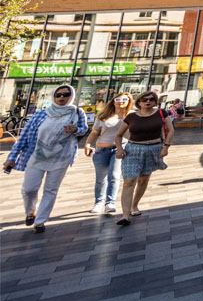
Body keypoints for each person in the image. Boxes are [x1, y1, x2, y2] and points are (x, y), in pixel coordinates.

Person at [3, 83, 88, 233]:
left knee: (51, 190)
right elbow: (23, 137)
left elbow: (83, 129)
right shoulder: (41, 114)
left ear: (72, 96)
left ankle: (40, 221)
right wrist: (12, 157)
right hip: (36, 156)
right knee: (29, 189)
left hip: (62, 157)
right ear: (53, 96)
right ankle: (31, 211)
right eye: (58, 94)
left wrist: (76, 129)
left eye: (65, 94)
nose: (61, 97)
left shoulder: (76, 112)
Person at [113, 91, 174, 225]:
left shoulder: (161, 113)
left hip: (153, 148)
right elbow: (118, 135)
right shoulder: (132, 117)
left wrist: (166, 147)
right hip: (133, 149)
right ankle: (125, 215)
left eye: (151, 99)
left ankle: (134, 205)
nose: (148, 102)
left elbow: (170, 130)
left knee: (143, 179)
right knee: (129, 181)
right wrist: (119, 149)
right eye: (145, 99)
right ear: (139, 102)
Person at [84, 92, 131, 214]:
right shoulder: (104, 115)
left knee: (114, 177)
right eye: (118, 99)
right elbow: (94, 132)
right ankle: (98, 202)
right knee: (101, 178)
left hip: (119, 149)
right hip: (101, 149)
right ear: (113, 101)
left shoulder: (131, 116)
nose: (121, 101)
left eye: (124, 99)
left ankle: (110, 202)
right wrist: (88, 144)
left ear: (129, 101)